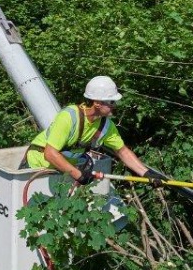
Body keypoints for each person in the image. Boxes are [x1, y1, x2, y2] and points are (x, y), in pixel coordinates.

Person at [21, 76, 166, 187]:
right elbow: (50, 153)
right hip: (36, 167)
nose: (115, 106)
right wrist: (78, 174)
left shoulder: (105, 126)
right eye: (111, 103)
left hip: (62, 170)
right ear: (97, 103)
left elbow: (122, 151)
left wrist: (146, 173)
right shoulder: (69, 117)